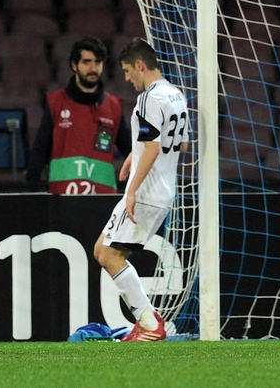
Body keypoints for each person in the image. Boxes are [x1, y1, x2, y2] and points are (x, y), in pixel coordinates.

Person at [93, 38, 189, 342]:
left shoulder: (149, 98)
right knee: (105, 250)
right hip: (163, 191)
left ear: (140, 66)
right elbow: (180, 143)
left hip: (146, 193)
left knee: (107, 254)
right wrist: (134, 155)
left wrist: (132, 189)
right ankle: (148, 320)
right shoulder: (176, 95)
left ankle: (149, 323)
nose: (126, 78)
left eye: (126, 71)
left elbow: (153, 147)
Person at [26, 36, 132, 194]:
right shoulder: (56, 103)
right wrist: (29, 196)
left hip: (103, 203)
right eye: (87, 62)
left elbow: (132, 154)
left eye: (97, 62)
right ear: (74, 65)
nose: (93, 68)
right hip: (62, 201)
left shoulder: (114, 106)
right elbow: (39, 153)